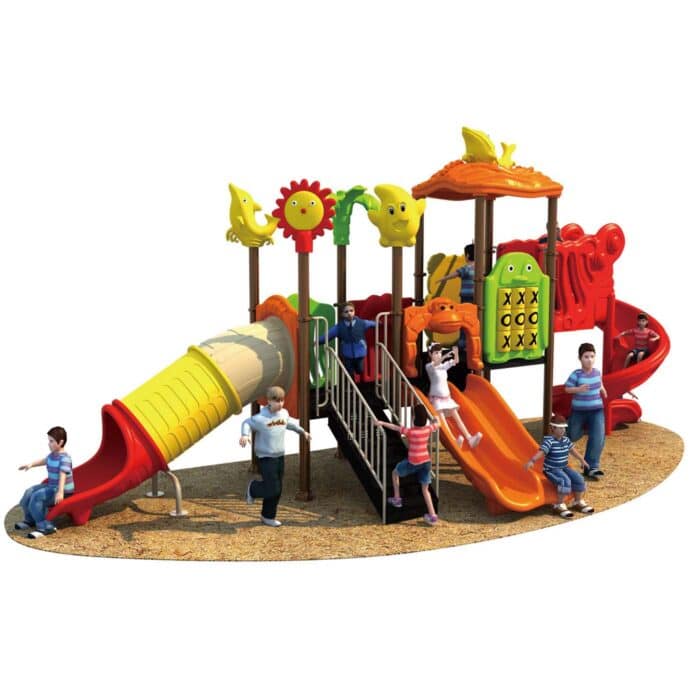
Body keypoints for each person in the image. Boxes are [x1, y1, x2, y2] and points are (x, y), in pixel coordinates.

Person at [240, 386, 310, 527]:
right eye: (277, 401)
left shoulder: (283, 414)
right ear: (269, 401)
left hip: (279, 456)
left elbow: (289, 424)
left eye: (282, 400)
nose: (280, 404)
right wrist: (245, 435)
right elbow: (247, 423)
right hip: (266, 457)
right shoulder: (261, 418)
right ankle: (253, 488)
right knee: (273, 488)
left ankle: (268, 516)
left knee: (277, 489)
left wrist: (302, 431)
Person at [373, 404, 440, 525]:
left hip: (413, 462)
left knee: (395, 473)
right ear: (425, 418)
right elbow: (438, 424)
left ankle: (397, 499)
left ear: (413, 418)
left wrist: (381, 423)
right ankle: (433, 515)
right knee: (425, 489)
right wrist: (435, 418)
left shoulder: (410, 432)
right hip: (426, 462)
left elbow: (395, 427)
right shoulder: (428, 429)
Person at [523, 414, 595, 519]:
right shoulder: (549, 441)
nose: (562, 430)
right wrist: (532, 460)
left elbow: (573, 451)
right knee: (564, 480)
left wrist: (582, 460)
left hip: (564, 467)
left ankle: (577, 501)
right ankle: (559, 504)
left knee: (579, 478)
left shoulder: (566, 440)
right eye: (560, 428)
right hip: (551, 470)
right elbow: (542, 452)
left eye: (564, 428)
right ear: (553, 428)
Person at [16, 426, 74, 538]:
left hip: (63, 490)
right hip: (52, 486)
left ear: (61, 442)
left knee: (36, 497)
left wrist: (60, 492)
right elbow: (44, 460)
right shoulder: (52, 455)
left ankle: (46, 526)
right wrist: (31, 464)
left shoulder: (65, 458)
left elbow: (63, 474)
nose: (49, 444)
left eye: (51, 441)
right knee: (28, 493)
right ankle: (30, 520)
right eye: (49, 441)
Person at [425, 342, 482, 449]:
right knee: (443, 422)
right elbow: (436, 363)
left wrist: (455, 353)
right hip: (436, 399)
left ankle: (469, 438)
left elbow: (455, 361)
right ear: (430, 354)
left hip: (447, 398)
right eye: (436, 353)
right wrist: (446, 356)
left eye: (440, 353)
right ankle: (453, 441)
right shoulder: (429, 367)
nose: (439, 355)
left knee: (457, 418)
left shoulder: (442, 367)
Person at [564, 342, 607, 479]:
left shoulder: (597, 372)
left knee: (598, 436)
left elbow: (600, 383)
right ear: (580, 358)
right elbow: (567, 388)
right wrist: (578, 389)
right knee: (573, 434)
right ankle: (561, 442)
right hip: (579, 410)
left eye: (592, 356)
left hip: (596, 409)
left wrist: (603, 390)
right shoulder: (576, 374)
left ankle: (591, 466)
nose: (589, 360)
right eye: (586, 357)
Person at [319, 302, 376, 381]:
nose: (349, 313)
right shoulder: (339, 327)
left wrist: (379, 323)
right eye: (346, 312)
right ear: (342, 314)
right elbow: (329, 334)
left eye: (351, 311)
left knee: (360, 369)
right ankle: (350, 382)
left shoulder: (361, 323)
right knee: (349, 371)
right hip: (347, 353)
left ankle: (356, 374)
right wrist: (319, 341)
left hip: (360, 351)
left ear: (354, 311)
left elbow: (371, 323)